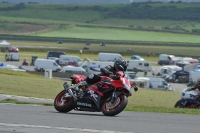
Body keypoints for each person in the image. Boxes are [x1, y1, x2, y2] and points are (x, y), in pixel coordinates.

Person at [74, 58, 138, 92]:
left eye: (124, 67)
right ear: (117, 65)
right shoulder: (110, 67)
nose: (123, 68)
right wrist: (109, 73)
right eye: (122, 66)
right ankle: (78, 86)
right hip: (99, 80)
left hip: (108, 85)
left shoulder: (121, 74)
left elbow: (125, 80)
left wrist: (132, 85)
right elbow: (103, 69)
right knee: (93, 76)